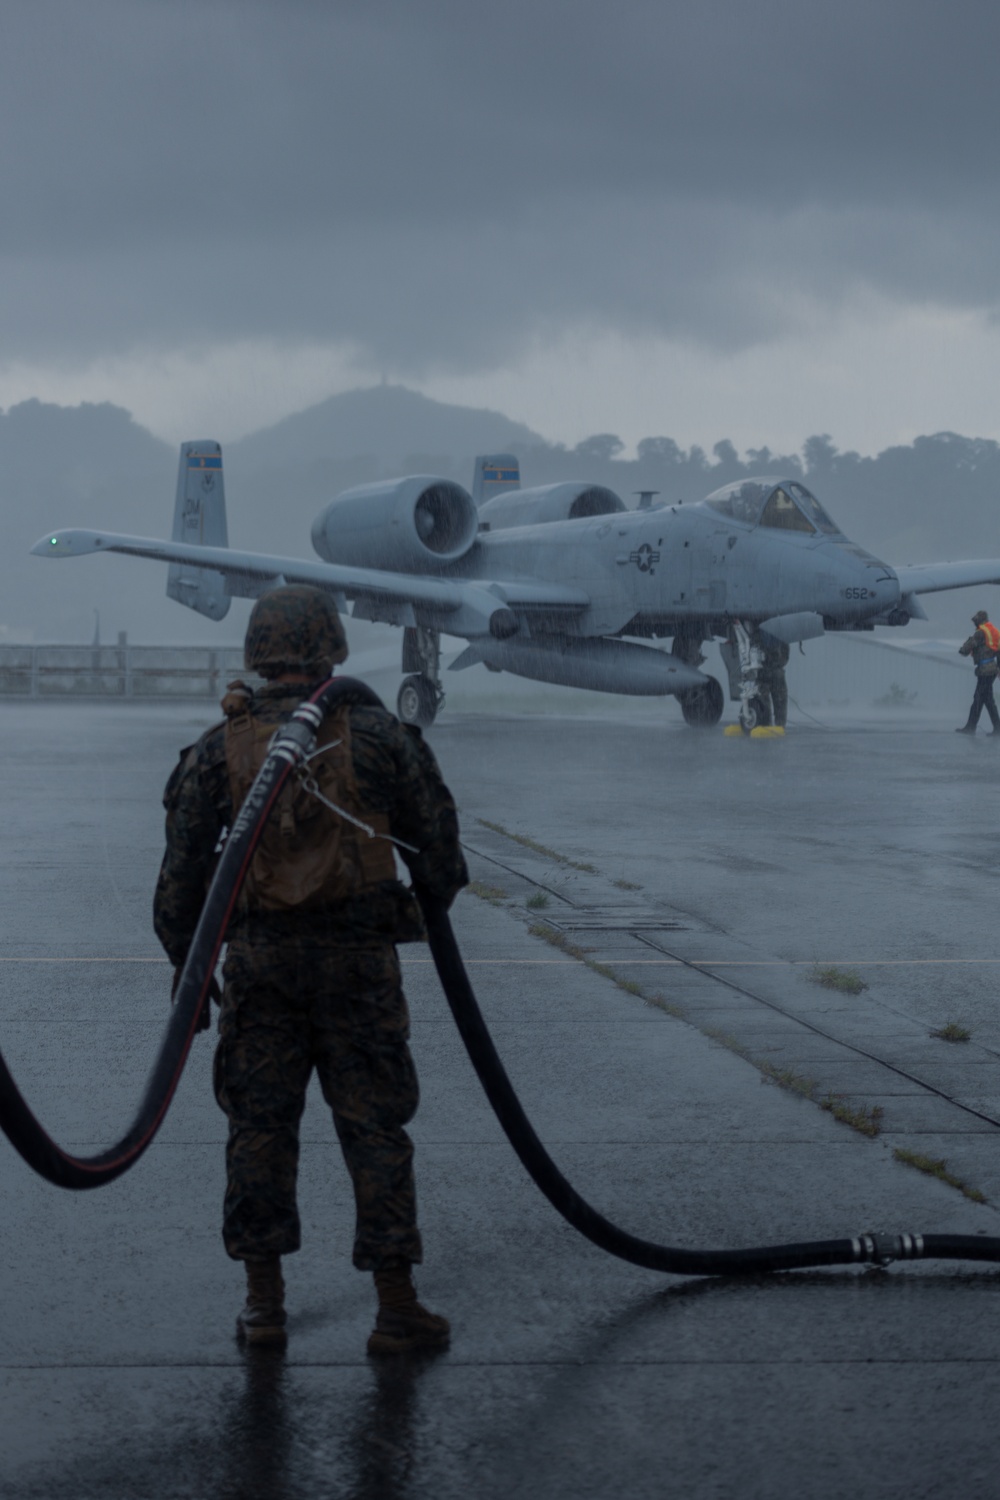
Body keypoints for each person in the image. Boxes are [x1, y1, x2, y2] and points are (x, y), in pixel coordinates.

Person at [153, 585, 468, 1354]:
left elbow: (178, 890)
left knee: (259, 1130)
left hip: (259, 970)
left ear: (257, 652)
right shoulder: (380, 737)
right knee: (376, 1129)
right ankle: (396, 1308)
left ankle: (264, 1308)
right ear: (332, 646)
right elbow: (443, 859)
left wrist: (190, 977)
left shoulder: (217, 749)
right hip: (358, 966)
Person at [957, 609, 1000, 735]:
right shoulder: (993, 631)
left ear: (979, 621)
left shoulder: (980, 633)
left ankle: (970, 728)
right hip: (991, 669)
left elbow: (965, 649)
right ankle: (996, 728)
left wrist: (963, 650)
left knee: (979, 699)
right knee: (986, 700)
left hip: (984, 671)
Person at [758, 635, 790, 729]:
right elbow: (785, 653)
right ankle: (777, 724)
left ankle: (766, 723)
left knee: (765, 696)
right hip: (772, 667)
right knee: (778, 696)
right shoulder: (779, 631)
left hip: (767, 668)